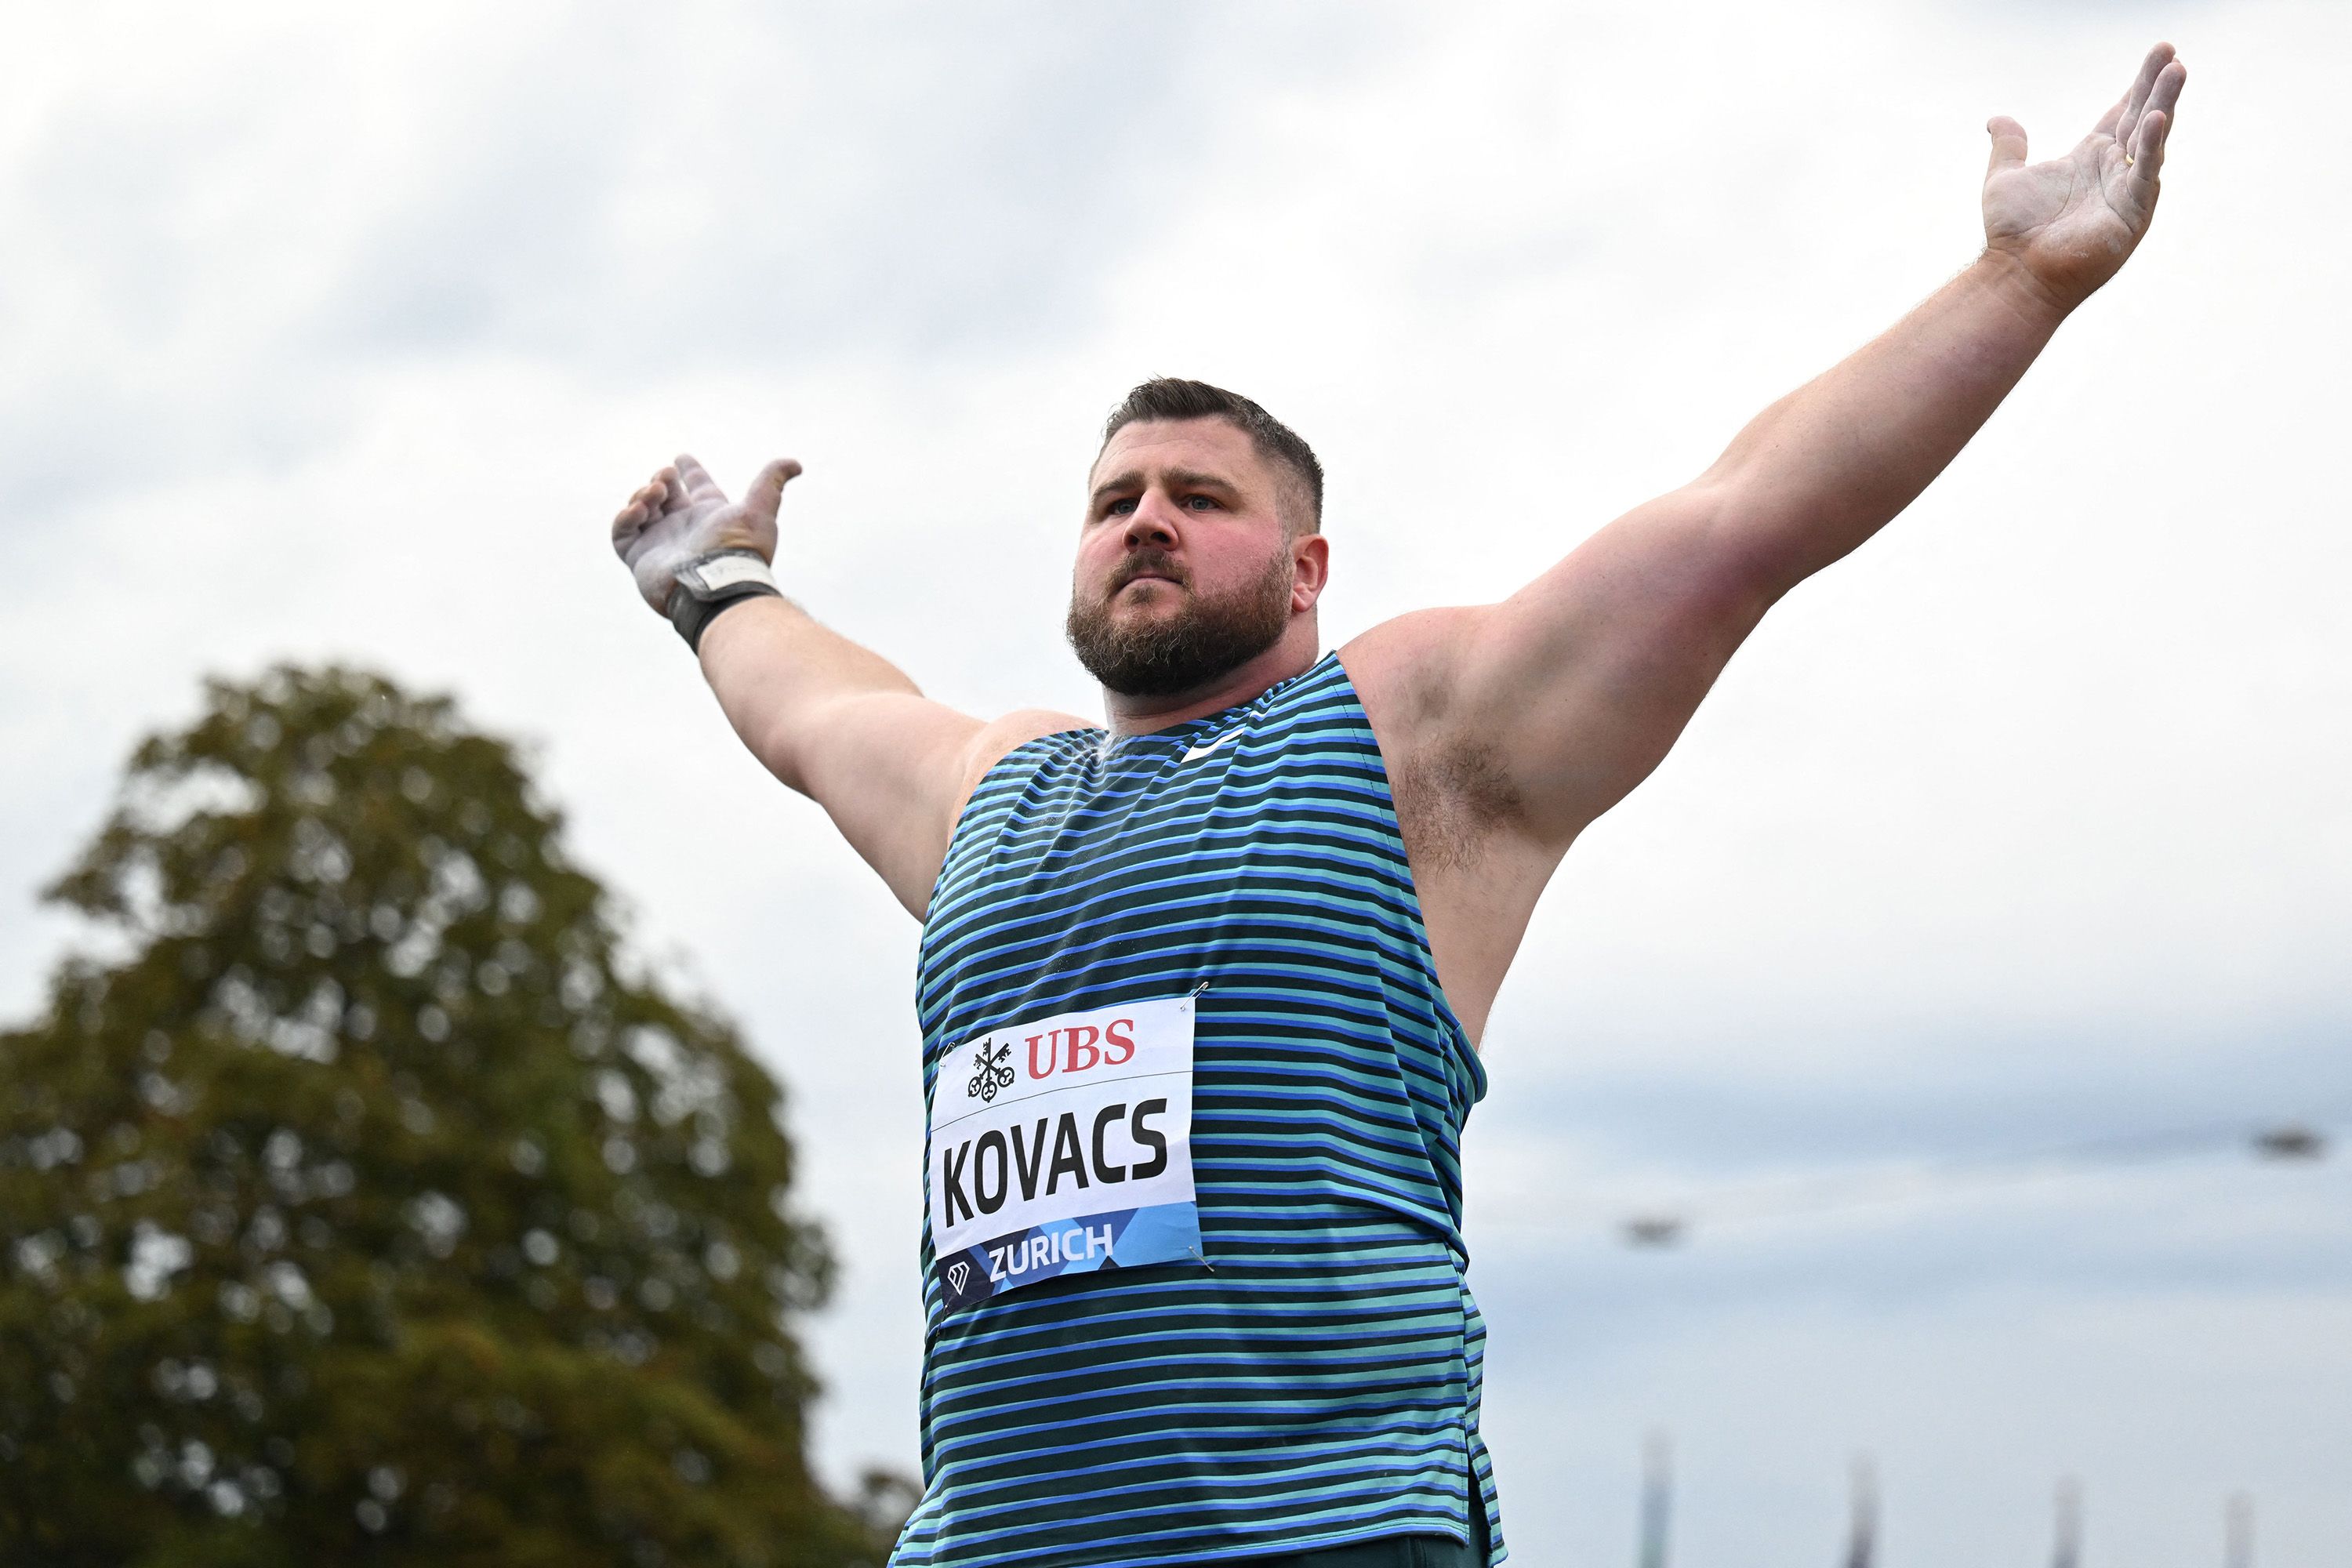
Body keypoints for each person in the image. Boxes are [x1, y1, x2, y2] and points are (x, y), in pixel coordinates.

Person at [608, 44, 2186, 1568]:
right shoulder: (994, 798)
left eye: (1200, 498)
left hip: (1319, 1533)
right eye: (1113, 502)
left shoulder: (1406, 733)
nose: (1145, 519)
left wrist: (2016, 282)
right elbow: (816, 710)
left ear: (1305, 573)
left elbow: (1741, 518)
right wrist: (716, 584)